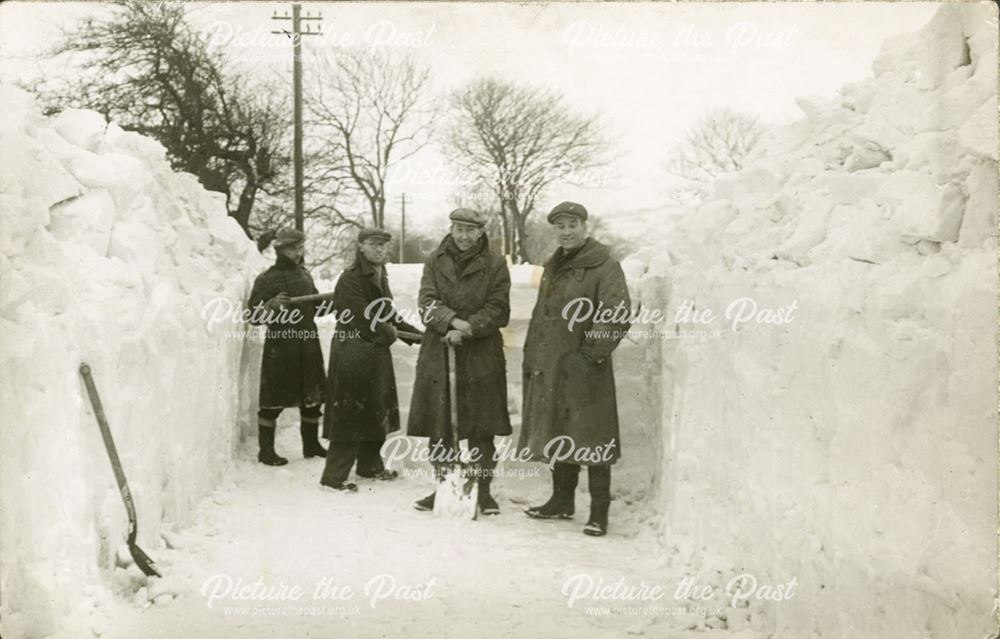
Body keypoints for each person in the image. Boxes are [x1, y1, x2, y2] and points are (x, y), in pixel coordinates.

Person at [519, 201, 631, 537]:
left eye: (573, 224)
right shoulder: (554, 266)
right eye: (560, 226)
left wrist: (589, 356)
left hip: (586, 369)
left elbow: (615, 314)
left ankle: (599, 513)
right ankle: (561, 501)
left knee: (594, 437)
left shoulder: (605, 266)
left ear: (585, 226)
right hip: (553, 366)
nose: (566, 231)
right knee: (559, 432)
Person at [407, 208, 512, 515]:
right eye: (458, 229)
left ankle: (482, 491)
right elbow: (426, 303)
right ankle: (445, 486)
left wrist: (468, 328)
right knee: (441, 424)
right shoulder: (434, 261)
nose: (464, 235)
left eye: (470, 230)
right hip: (439, 351)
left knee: (481, 425)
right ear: (451, 229)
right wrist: (451, 322)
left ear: (481, 233)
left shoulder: (495, 264)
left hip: (481, 354)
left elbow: (498, 308)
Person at [319, 228, 422, 492]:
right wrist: (392, 332)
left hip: (373, 350)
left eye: (383, 246)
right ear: (361, 247)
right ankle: (333, 477)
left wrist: (419, 336)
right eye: (374, 245)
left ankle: (369, 465)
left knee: (376, 408)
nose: (379, 250)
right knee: (350, 413)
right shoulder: (350, 279)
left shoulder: (380, 274)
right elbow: (362, 317)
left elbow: (388, 313)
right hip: (353, 350)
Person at [247, 228, 331, 466]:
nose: (298, 252)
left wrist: (329, 302)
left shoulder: (305, 275)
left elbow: (316, 308)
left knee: (312, 398)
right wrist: (271, 305)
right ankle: (266, 451)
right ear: (281, 249)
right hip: (281, 347)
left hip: (308, 344)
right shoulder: (267, 279)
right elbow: (253, 315)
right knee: (273, 401)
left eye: (300, 247)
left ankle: (311, 445)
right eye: (294, 248)